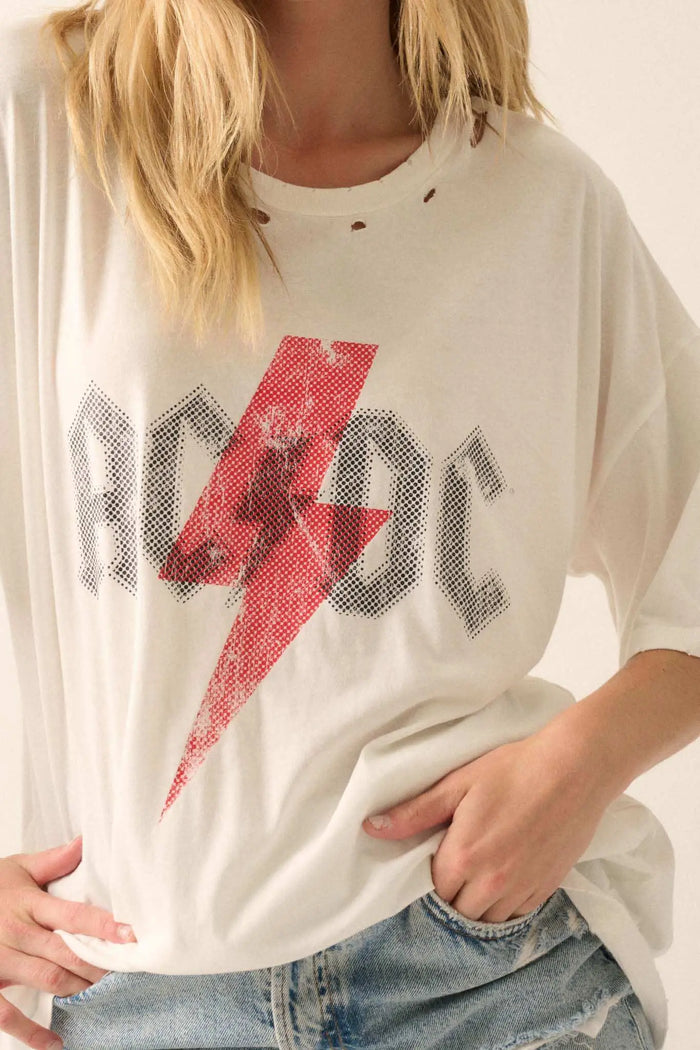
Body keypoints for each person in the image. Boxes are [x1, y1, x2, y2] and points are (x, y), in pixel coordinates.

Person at [1, 0, 699, 1048]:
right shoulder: (43, 118)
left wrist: (581, 763)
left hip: (490, 977)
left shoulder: (542, 202)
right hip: (143, 989)